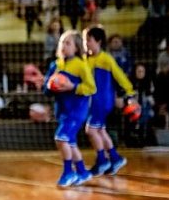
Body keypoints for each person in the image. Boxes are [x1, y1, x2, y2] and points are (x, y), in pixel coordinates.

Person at [43, 30, 96, 188]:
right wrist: (51, 85)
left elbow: (91, 88)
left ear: (77, 48)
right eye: (62, 43)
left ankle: (68, 172)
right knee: (70, 143)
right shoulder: (56, 65)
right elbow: (46, 90)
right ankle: (82, 172)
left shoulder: (81, 65)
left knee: (61, 138)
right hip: (63, 110)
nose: (64, 46)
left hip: (77, 110)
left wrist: (72, 86)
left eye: (68, 43)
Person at [83, 26, 135, 176]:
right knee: (100, 130)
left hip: (102, 101)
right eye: (85, 39)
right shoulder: (86, 59)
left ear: (98, 41)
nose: (86, 43)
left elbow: (120, 76)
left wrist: (130, 92)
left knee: (91, 130)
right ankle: (115, 158)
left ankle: (102, 160)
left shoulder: (105, 58)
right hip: (94, 101)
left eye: (89, 40)